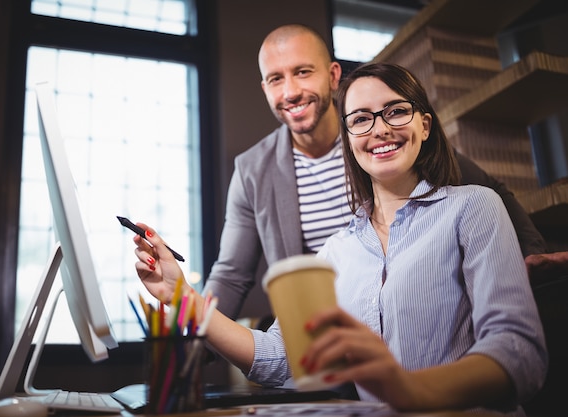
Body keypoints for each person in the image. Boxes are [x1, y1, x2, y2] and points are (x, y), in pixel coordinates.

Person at [133, 62, 547, 414]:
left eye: (396, 111)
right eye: (361, 119)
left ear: (424, 125)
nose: (380, 129)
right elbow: (284, 357)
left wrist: (407, 391)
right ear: (349, 139)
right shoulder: (336, 251)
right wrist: (182, 295)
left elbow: (519, 354)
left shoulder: (475, 207)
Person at [203, 24, 547, 320]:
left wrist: (531, 255)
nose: (291, 91)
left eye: (303, 72)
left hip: (409, 322)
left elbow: (489, 191)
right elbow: (232, 274)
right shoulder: (251, 171)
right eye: (276, 79)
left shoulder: (385, 139)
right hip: (323, 342)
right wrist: (194, 331)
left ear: (333, 76)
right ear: (265, 88)